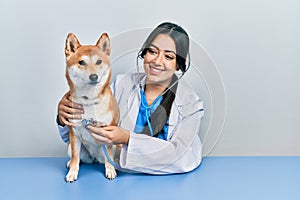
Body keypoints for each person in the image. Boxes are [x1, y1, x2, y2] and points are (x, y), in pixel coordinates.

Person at [57, 22, 204, 174]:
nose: (157, 61)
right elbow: (80, 136)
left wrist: (127, 138)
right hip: (121, 179)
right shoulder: (121, 85)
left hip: (170, 183)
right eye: (152, 51)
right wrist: (63, 117)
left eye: (168, 56)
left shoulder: (190, 103)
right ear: (144, 53)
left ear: (178, 65)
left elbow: (182, 155)